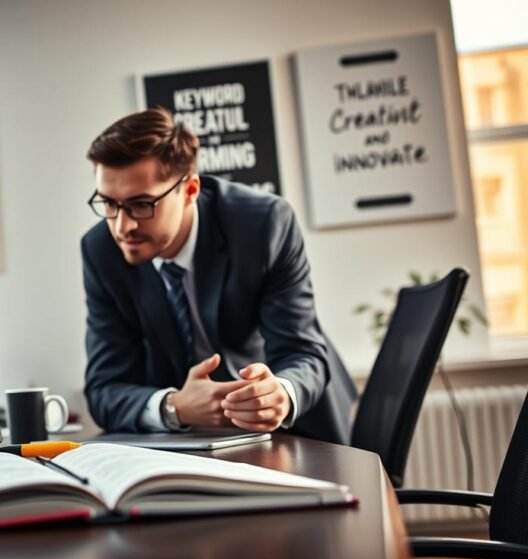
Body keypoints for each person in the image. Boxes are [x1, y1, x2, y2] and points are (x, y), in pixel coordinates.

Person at [81, 107, 356, 444]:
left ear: (190, 190)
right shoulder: (100, 251)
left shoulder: (263, 225)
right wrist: (174, 406)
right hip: (185, 444)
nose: (123, 226)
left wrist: (281, 394)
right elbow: (104, 388)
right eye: (108, 203)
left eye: (141, 204)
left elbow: (304, 353)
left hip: (294, 434)